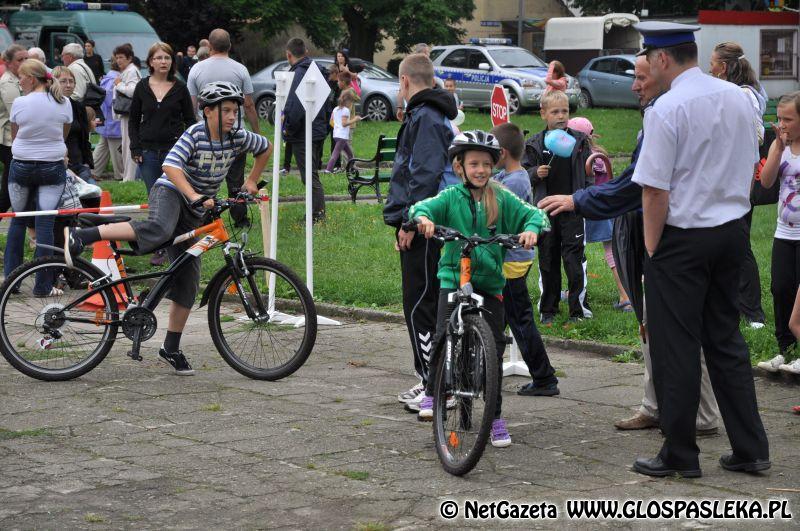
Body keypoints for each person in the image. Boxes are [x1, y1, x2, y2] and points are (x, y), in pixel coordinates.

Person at [538, 54, 721, 435]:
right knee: (649, 325)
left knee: (682, 331)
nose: (634, 85)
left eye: (640, 78)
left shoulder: (670, 116)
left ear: (663, 69)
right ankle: (655, 406)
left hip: (674, 240)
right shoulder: (656, 115)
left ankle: (700, 417)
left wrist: (579, 200)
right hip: (658, 236)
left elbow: (639, 186)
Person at [630, 21, 770, 478]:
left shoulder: (666, 108)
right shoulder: (739, 97)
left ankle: (680, 453)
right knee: (725, 340)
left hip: (683, 238)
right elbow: (752, 160)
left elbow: (655, 189)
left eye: (648, 59)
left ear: (662, 58)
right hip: (731, 231)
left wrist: (653, 248)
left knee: (677, 347)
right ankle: (751, 448)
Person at [64, 81, 273, 375]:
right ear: (208, 112)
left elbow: (266, 147)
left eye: (234, 111)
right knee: (160, 229)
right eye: (225, 110)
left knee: (188, 280)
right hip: (172, 191)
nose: (231, 116)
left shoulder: (237, 137)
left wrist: (251, 181)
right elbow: (170, 167)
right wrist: (194, 195)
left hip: (196, 206)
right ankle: (83, 235)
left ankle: (171, 348)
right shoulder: (195, 134)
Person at [409, 130, 549, 447]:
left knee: (494, 348)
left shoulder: (501, 197)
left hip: (490, 281)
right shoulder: (450, 196)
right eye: (474, 164)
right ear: (460, 167)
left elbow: (536, 214)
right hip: (452, 275)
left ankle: (495, 417)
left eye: (486, 164)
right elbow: (421, 207)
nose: (481, 170)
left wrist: (531, 230)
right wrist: (424, 220)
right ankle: (432, 391)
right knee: (442, 332)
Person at [383, 53, 457, 410]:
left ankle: (436, 383)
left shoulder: (425, 116)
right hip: (428, 221)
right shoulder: (428, 113)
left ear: (405, 81)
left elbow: (424, 174)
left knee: (420, 304)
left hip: (426, 227)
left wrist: (410, 222)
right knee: (424, 302)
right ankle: (430, 378)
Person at [491, 122, 560, 397]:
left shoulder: (516, 181)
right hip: (510, 258)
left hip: (512, 260)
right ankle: (485, 367)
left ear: (502, 153)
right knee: (502, 317)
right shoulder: (507, 176)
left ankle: (544, 378)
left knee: (520, 320)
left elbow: (502, 217)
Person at [710, 41, 768, 330]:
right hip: (729, 177)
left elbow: (756, 135)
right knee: (728, 243)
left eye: (712, 64)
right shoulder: (740, 91)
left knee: (740, 244)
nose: (709, 68)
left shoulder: (742, 95)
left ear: (723, 67)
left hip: (738, 180)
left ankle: (753, 313)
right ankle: (732, 303)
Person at [3, 59, 72, 296]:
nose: (19, 81)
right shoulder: (64, 102)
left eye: (21, 77)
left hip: (22, 165)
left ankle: (11, 281)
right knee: (45, 225)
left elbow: (16, 135)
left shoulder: (20, 103)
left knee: (18, 221)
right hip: (52, 166)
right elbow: (63, 134)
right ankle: (42, 286)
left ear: (32, 79)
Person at [524, 90, 592, 323]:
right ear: (543, 114)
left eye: (565, 111)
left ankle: (578, 309)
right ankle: (548, 309)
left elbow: (589, 172)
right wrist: (536, 172)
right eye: (555, 112)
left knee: (574, 260)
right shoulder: (534, 143)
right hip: (546, 211)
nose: (561, 116)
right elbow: (523, 173)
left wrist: (585, 198)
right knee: (548, 259)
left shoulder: (579, 141)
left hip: (572, 208)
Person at [130, 42, 195, 266]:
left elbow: (190, 121)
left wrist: (190, 149)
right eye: (158, 58)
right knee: (155, 198)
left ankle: (177, 242)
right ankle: (158, 246)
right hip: (147, 152)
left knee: (175, 196)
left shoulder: (180, 88)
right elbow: (133, 120)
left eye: (167, 58)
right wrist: (135, 148)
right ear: (150, 62)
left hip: (173, 153)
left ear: (172, 61)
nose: (163, 62)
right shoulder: (142, 87)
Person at [187, 28, 260, 228]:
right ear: (230, 46)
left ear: (209, 46)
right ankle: (240, 218)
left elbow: (191, 105)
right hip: (234, 132)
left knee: (204, 179)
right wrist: (256, 132)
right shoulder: (240, 69)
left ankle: (202, 218)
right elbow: (249, 104)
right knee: (235, 180)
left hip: (205, 134)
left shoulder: (196, 69)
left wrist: (192, 129)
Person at [567, 116, 631, 311]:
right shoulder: (599, 154)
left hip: (590, 209)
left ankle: (622, 295)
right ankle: (625, 295)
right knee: (612, 251)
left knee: (575, 250)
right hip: (607, 208)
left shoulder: (583, 158)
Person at [758, 92, 800, 377]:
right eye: (780, 118)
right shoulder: (780, 146)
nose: (782, 124)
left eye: (788, 119)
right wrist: (776, 148)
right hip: (784, 232)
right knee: (781, 288)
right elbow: (766, 181)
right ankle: (785, 349)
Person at [282, 37, 329, 223]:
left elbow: (295, 106)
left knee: (309, 176)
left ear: (289, 55)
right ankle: (316, 211)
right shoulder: (316, 70)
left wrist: (288, 129)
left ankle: (317, 214)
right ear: (306, 52)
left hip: (304, 132)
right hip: (317, 128)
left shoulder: (299, 73)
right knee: (311, 173)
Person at [53, 66, 94, 184]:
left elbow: (84, 137)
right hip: (56, 164)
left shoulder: (78, 107)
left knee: (93, 191)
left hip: (79, 164)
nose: (68, 85)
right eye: (63, 81)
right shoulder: (49, 106)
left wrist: (87, 163)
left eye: (71, 81)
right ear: (53, 83)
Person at [0, 44, 27, 214]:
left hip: (18, 139)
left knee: (16, 188)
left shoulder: (21, 79)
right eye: (20, 60)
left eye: (27, 58)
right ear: (8, 63)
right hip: (9, 141)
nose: (24, 62)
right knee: (9, 191)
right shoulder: (8, 83)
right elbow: (18, 116)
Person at [113, 43, 141, 183]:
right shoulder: (128, 71)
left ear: (129, 58)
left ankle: (129, 178)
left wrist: (119, 84)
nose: (118, 60)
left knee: (128, 145)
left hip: (130, 114)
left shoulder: (131, 71)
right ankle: (128, 177)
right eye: (117, 57)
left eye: (121, 57)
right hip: (126, 114)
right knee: (125, 145)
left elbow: (133, 91)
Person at [92, 60, 123, 181]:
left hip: (106, 120)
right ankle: (120, 175)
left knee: (103, 147)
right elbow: (111, 101)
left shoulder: (106, 78)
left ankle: (94, 171)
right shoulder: (115, 80)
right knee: (117, 149)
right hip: (114, 122)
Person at [324, 90, 361, 173]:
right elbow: (344, 124)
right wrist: (355, 119)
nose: (351, 104)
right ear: (348, 101)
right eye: (351, 101)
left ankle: (351, 168)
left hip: (336, 135)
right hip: (342, 136)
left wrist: (337, 127)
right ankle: (328, 170)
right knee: (336, 153)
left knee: (349, 153)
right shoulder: (346, 110)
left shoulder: (335, 109)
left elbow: (331, 121)